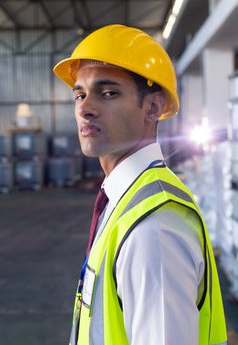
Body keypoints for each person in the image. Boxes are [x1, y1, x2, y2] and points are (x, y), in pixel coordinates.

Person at [53, 24, 227, 345]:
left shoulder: (154, 228)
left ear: (153, 107)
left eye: (108, 93)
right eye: (80, 93)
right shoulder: (125, 201)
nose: (84, 107)